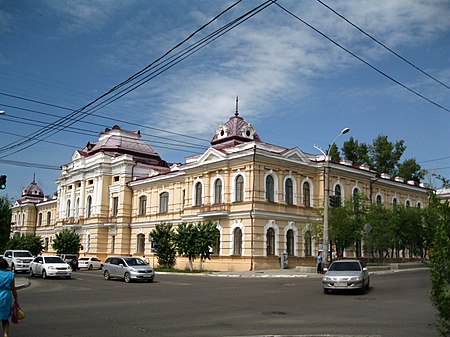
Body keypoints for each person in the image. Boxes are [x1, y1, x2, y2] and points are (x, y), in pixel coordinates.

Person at [0, 258, 18, 337]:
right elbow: (13, 288)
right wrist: (16, 298)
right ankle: (5, 334)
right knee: (5, 318)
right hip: (6, 296)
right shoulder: (10, 275)